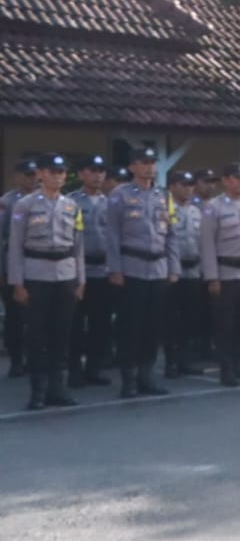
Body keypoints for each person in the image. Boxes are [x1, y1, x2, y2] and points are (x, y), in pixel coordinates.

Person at [7, 154, 85, 410]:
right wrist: (17, 283)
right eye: (53, 171)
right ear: (41, 174)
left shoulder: (72, 206)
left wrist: (80, 280)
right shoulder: (25, 205)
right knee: (37, 336)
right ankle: (37, 391)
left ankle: (57, 388)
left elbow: (78, 246)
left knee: (61, 335)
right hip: (36, 275)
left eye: (62, 172)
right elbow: (15, 247)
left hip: (65, 275)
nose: (59, 176)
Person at [105, 147, 175, 399]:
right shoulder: (119, 195)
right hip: (132, 268)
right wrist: (115, 269)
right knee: (130, 326)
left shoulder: (163, 195)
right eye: (143, 163)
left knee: (153, 327)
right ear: (133, 167)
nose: (149, 167)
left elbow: (171, 233)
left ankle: (147, 376)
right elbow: (111, 235)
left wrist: (172, 267)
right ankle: (129, 379)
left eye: (152, 162)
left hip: (157, 269)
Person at [201, 163, 240, 387]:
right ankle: (227, 370)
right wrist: (212, 277)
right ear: (226, 180)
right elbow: (207, 244)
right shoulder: (213, 207)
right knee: (225, 325)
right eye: (236, 178)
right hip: (226, 274)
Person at [69, 154, 115, 387]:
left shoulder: (111, 203)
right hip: (79, 271)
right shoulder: (70, 202)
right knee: (75, 324)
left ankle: (94, 368)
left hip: (103, 271)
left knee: (100, 324)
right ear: (81, 174)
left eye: (101, 171)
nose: (97, 175)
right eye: (91, 170)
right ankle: (74, 370)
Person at [165, 169, 208, 377]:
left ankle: (185, 360)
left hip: (194, 270)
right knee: (171, 320)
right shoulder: (164, 209)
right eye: (183, 185)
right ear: (172, 186)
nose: (188, 189)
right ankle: (170, 362)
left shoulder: (196, 211)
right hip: (173, 271)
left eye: (191, 185)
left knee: (191, 319)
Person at [2, 156, 39, 377]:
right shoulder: (7, 202)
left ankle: (36, 358)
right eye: (27, 175)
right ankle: (16, 360)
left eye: (35, 175)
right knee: (15, 317)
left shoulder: (45, 200)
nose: (32, 179)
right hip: (13, 267)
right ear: (17, 177)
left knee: (38, 317)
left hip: (38, 266)